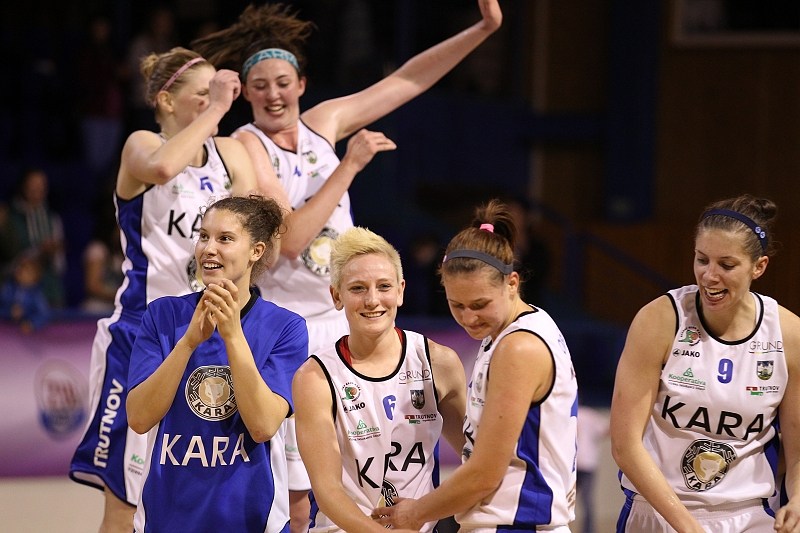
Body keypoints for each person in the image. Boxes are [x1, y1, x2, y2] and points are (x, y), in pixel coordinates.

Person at [191, 2, 503, 529]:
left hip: (345, 317)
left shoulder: (325, 123)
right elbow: (291, 240)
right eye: (260, 86)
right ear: (246, 94)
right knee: (297, 495)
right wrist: (351, 165)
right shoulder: (246, 145)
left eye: (283, 83)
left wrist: (483, 29)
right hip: (290, 328)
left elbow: (406, 80)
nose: (273, 94)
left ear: (302, 84)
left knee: (365, 469)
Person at [69, 47, 259, 533]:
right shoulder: (142, 145)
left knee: (196, 491)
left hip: (210, 337)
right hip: (140, 336)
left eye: (218, 94)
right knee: (124, 502)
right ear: (166, 101)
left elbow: (257, 231)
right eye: (203, 95)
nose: (215, 102)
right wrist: (219, 107)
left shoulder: (229, 154)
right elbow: (160, 169)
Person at [374, 199, 578, 532]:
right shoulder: (512, 330)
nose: (469, 318)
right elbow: (481, 446)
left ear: (512, 283)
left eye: (480, 304)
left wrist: (414, 513)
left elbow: (484, 474)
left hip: (517, 525)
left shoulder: (518, 347)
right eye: (457, 305)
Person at [609, 194, 800, 532]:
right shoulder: (660, 320)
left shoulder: (788, 333)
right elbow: (625, 446)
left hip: (748, 516)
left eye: (726, 265)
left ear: (759, 267)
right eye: (702, 260)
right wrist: (689, 527)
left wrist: (797, 500)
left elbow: (798, 448)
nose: (709, 275)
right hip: (657, 512)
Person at [126, 195, 308, 532]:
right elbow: (138, 418)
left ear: (256, 251)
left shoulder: (285, 327)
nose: (209, 249)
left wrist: (233, 335)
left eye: (225, 239)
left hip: (253, 522)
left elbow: (262, 426)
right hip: (168, 520)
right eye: (203, 236)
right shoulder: (163, 315)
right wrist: (187, 343)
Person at [291, 227, 467, 533]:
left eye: (383, 286)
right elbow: (328, 491)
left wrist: (432, 510)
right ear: (337, 296)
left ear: (400, 290)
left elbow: (475, 459)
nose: (372, 300)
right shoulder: (315, 377)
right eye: (358, 288)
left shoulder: (438, 362)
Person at [8, 167, 66, 308]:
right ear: (24, 186)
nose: (38, 189)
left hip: (49, 290)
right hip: (17, 291)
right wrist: (39, 252)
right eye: (33, 185)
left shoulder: (52, 218)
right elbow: (9, 257)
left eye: (42, 185)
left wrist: (53, 251)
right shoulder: (10, 218)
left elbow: (60, 264)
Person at [0, 249, 50, 334]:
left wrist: (32, 324)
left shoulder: (37, 296)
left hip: (23, 333)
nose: (21, 272)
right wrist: (9, 312)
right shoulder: (8, 289)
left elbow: (44, 314)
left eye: (27, 271)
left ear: (36, 276)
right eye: (20, 268)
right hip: (4, 329)